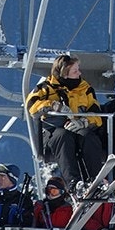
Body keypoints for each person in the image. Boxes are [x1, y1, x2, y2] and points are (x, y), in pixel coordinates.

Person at [26, 52, 106, 186]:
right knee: (63, 137)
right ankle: (74, 183)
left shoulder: (85, 89)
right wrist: (52, 105)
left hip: (78, 127)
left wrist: (85, 121)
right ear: (64, 73)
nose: (79, 73)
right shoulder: (46, 88)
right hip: (54, 131)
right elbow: (31, 105)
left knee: (89, 138)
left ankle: (95, 180)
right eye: (75, 71)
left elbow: (96, 111)